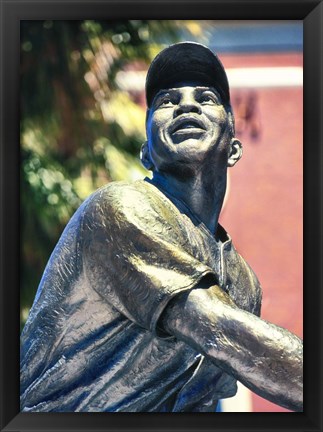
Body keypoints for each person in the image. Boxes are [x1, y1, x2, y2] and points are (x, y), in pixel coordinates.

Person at [20, 41, 303, 413]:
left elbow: (198, 404)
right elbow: (220, 329)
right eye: (167, 101)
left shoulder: (241, 285)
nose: (187, 104)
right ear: (146, 153)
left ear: (234, 148)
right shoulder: (121, 210)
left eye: (205, 97)